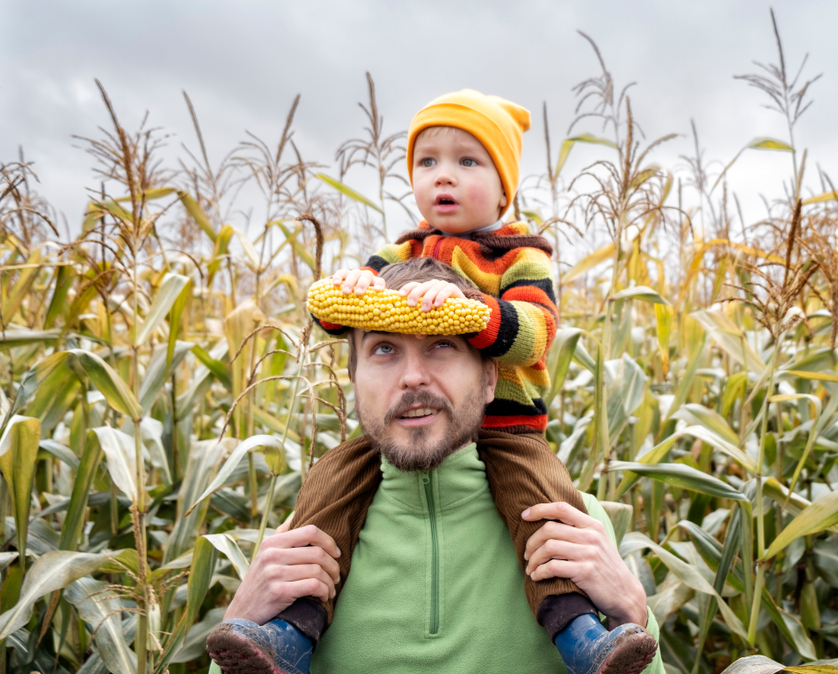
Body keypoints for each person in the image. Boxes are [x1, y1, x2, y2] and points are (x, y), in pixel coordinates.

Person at [208, 88, 658, 674]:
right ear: (352, 373)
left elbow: (536, 329)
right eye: (385, 349)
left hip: (514, 437)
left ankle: (582, 638)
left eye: (442, 347)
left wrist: (630, 615)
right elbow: (331, 313)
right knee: (327, 475)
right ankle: (289, 636)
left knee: (538, 514)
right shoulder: (294, 545)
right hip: (276, 609)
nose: (412, 377)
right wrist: (245, 613)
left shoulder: (577, 530)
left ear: (490, 374)